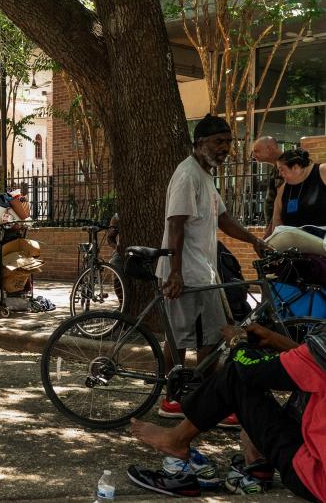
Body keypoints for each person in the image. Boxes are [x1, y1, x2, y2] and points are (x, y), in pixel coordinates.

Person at [128, 322, 325, 501]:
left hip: (314, 477)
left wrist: (238, 341)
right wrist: (275, 340)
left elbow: (252, 371)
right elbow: (312, 360)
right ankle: (259, 462)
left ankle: (176, 440)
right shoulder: (320, 350)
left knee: (235, 377)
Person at [156, 114, 267, 421]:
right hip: (184, 274)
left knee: (210, 340)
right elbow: (175, 224)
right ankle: (172, 399)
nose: (225, 148)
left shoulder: (206, 175)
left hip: (203, 272)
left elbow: (224, 218)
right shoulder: (187, 174)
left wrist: (254, 241)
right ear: (199, 142)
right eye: (219, 141)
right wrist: (175, 272)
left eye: (229, 142)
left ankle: (207, 399)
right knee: (178, 338)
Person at [252, 136, 284, 238]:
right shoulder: (276, 168)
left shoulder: (286, 167)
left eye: (257, 151)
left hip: (282, 229)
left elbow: (280, 202)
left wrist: (271, 230)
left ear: (269, 148)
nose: (254, 155)